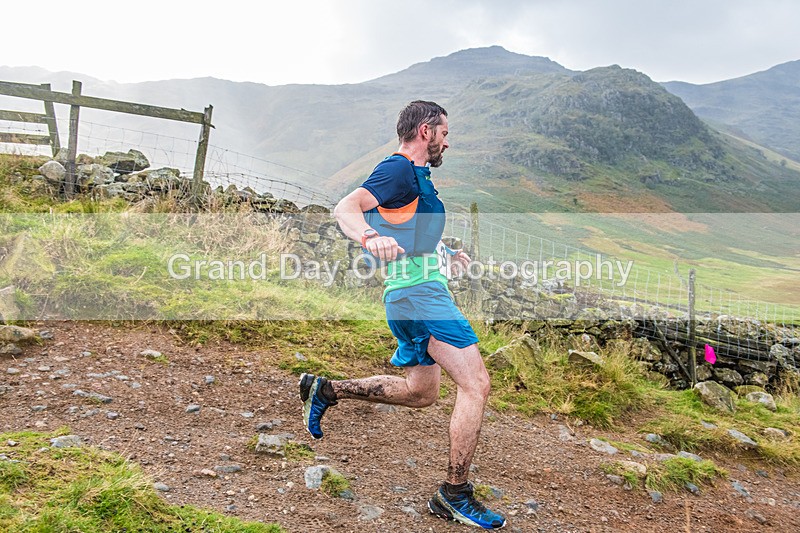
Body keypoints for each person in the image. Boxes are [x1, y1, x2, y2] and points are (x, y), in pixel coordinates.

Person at [299, 100, 506, 530]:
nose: (447, 142)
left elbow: (409, 230)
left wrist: (447, 254)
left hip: (410, 295)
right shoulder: (398, 169)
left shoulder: (417, 179)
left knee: (420, 392)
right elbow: (346, 207)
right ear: (426, 131)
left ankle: (327, 390)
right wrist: (368, 236)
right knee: (476, 384)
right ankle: (454, 494)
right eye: (444, 133)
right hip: (422, 296)